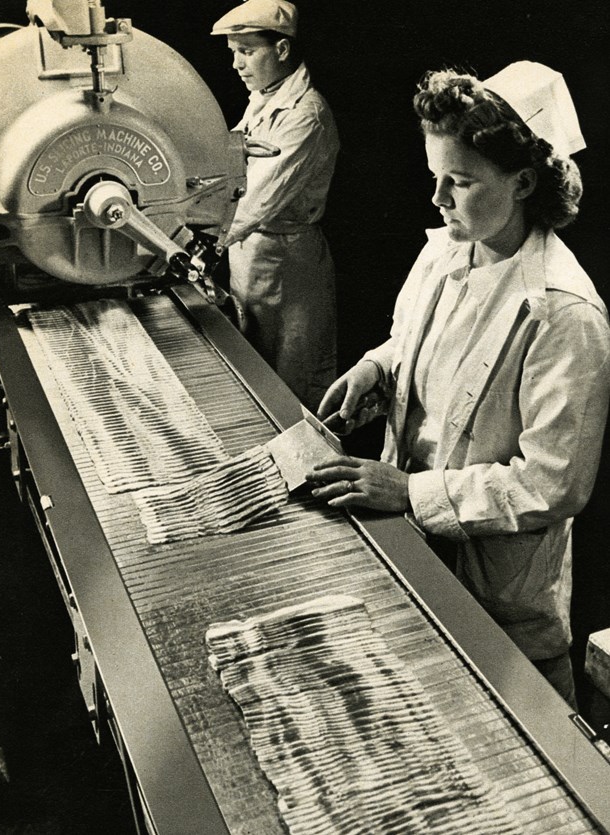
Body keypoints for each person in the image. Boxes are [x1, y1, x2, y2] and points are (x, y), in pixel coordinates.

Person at [306, 61, 610, 707]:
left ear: (524, 181)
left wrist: (411, 492)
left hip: (500, 602)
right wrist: (377, 369)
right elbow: (414, 342)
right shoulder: (445, 249)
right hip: (413, 547)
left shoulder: (563, 312)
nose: (438, 199)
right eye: (435, 178)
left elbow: (551, 482)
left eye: (460, 182)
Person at [211, 0, 339, 412]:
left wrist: (184, 246)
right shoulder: (264, 98)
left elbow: (255, 202)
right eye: (233, 53)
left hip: (287, 266)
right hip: (249, 257)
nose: (236, 64)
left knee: (290, 390)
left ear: (281, 50)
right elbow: (224, 160)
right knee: (253, 374)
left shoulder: (306, 115)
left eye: (246, 52)